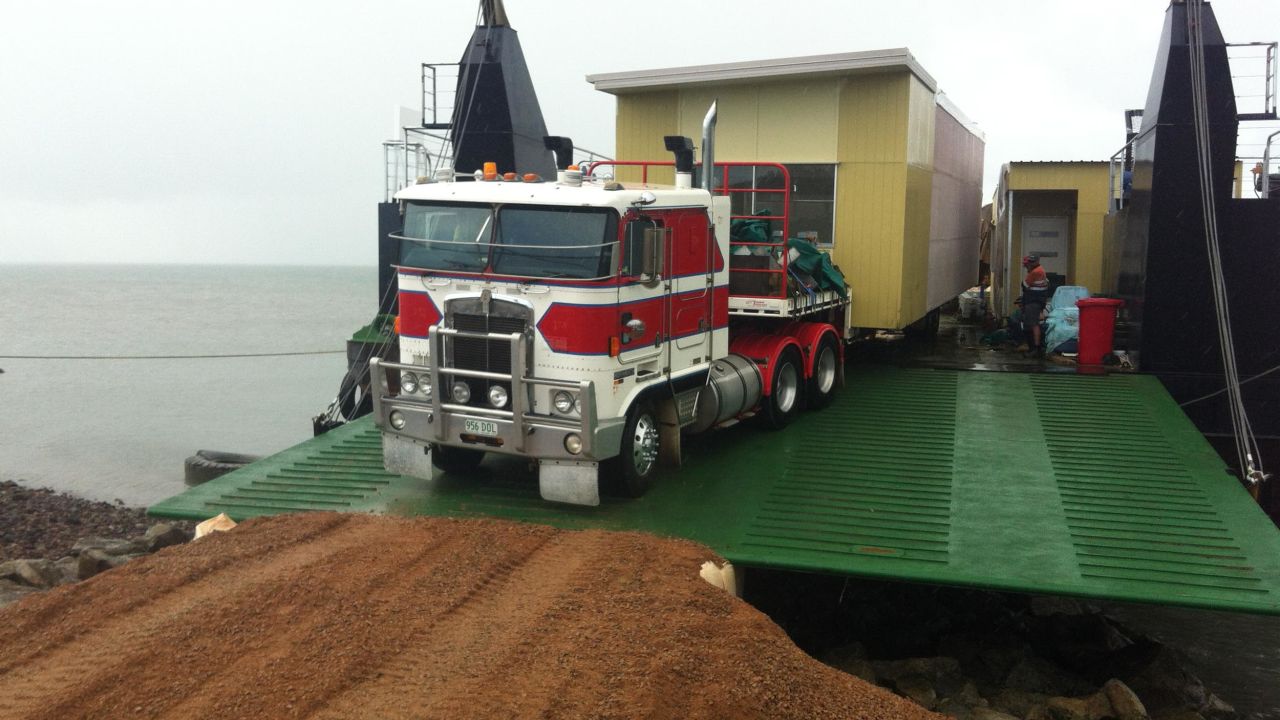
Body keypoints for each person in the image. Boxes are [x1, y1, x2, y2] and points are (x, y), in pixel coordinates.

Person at [1020, 255, 1051, 357]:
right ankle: (1035, 348)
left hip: (1033, 302)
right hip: (1038, 302)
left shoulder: (1035, 272)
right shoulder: (1041, 270)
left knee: (1032, 325)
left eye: (1027, 265)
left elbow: (1024, 285)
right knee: (1034, 324)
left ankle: (1034, 349)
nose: (1027, 267)